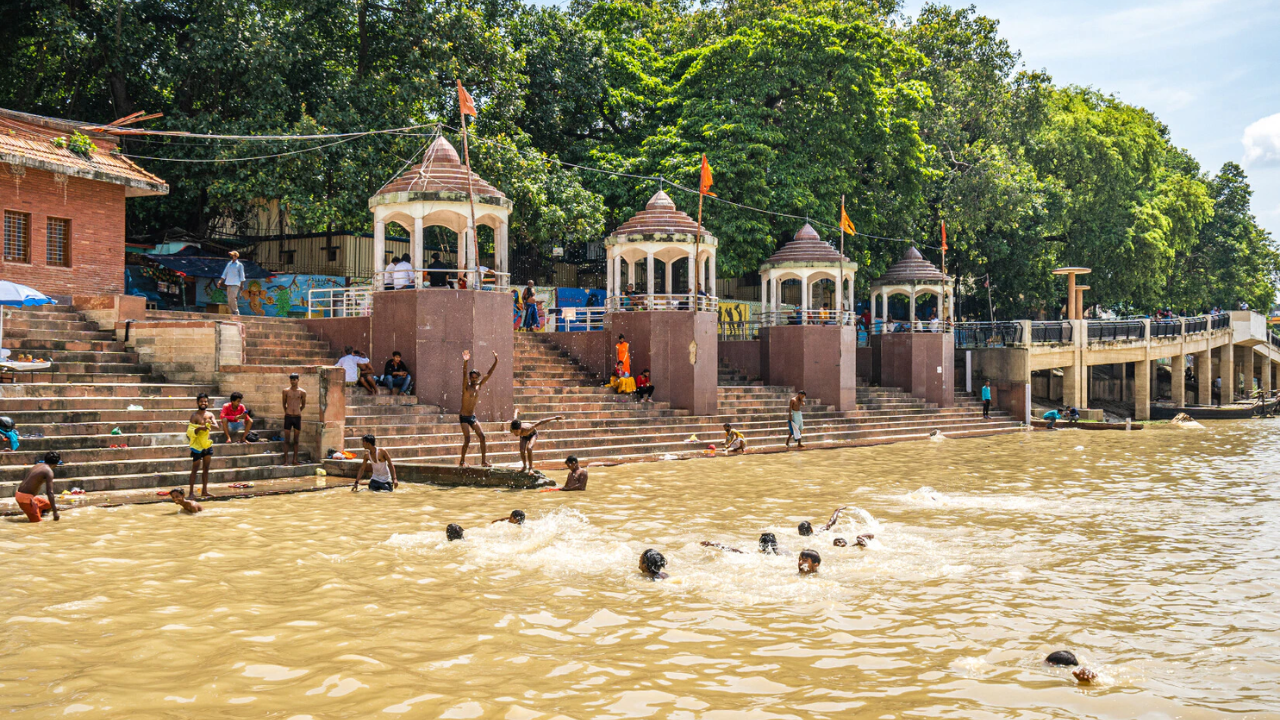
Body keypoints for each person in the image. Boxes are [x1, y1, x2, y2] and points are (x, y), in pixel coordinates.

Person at [459, 350, 499, 467]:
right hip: (464, 417)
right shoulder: (466, 387)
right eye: (472, 377)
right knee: (467, 439)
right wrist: (466, 362)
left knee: (482, 436)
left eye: (476, 377)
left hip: (472, 416)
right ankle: (462, 461)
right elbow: (464, 374)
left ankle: (483, 461)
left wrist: (496, 361)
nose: (474, 379)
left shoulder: (479, 386)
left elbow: (489, 373)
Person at [14, 452, 60, 523]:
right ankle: (36, 516)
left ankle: (38, 514)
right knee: (37, 524)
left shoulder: (38, 465)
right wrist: (55, 512)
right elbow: (50, 492)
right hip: (26, 499)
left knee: (49, 505)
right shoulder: (48, 472)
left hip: (20, 494)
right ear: (56, 464)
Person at [187, 394, 216, 498]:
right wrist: (199, 428)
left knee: (206, 469)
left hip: (207, 445)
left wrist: (209, 424)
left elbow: (217, 427)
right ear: (197, 402)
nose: (203, 403)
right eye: (201, 402)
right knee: (195, 469)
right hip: (197, 446)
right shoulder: (194, 416)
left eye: (205, 401)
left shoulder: (210, 415)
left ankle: (204, 491)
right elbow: (189, 432)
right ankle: (191, 493)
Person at [281, 373, 307, 466]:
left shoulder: (302, 392)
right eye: (292, 379)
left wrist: (298, 411)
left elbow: (303, 404)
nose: (293, 381)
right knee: (287, 440)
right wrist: (286, 411)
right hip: (288, 417)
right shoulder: (286, 391)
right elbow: (284, 403)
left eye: (295, 379)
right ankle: (286, 461)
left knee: (296, 440)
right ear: (290, 380)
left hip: (297, 417)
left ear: (298, 380)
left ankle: (295, 460)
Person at [218, 250, 245, 316]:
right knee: (229, 299)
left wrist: (242, 285)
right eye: (231, 255)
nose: (232, 256)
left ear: (236, 256)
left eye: (233, 255)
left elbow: (242, 275)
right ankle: (232, 312)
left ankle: (236, 312)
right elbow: (225, 273)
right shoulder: (229, 264)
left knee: (233, 297)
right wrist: (220, 281)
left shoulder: (239, 265)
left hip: (236, 283)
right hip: (229, 283)